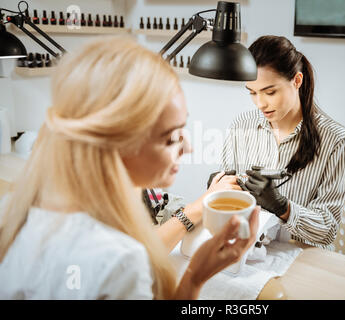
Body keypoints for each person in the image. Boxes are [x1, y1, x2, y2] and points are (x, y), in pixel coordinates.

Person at [0, 36, 259, 299]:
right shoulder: (120, 262)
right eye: (171, 137)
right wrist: (194, 277)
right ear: (119, 146)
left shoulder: (12, 212)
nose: (189, 147)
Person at [221, 35, 345, 250]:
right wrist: (219, 189)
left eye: (270, 92)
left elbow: (327, 231)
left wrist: (283, 207)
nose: (260, 103)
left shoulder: (335, 140)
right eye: (252, 93)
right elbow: (228, 203)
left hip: (300, 257)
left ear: (297, 81)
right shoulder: (241, 125)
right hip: (249, 250)